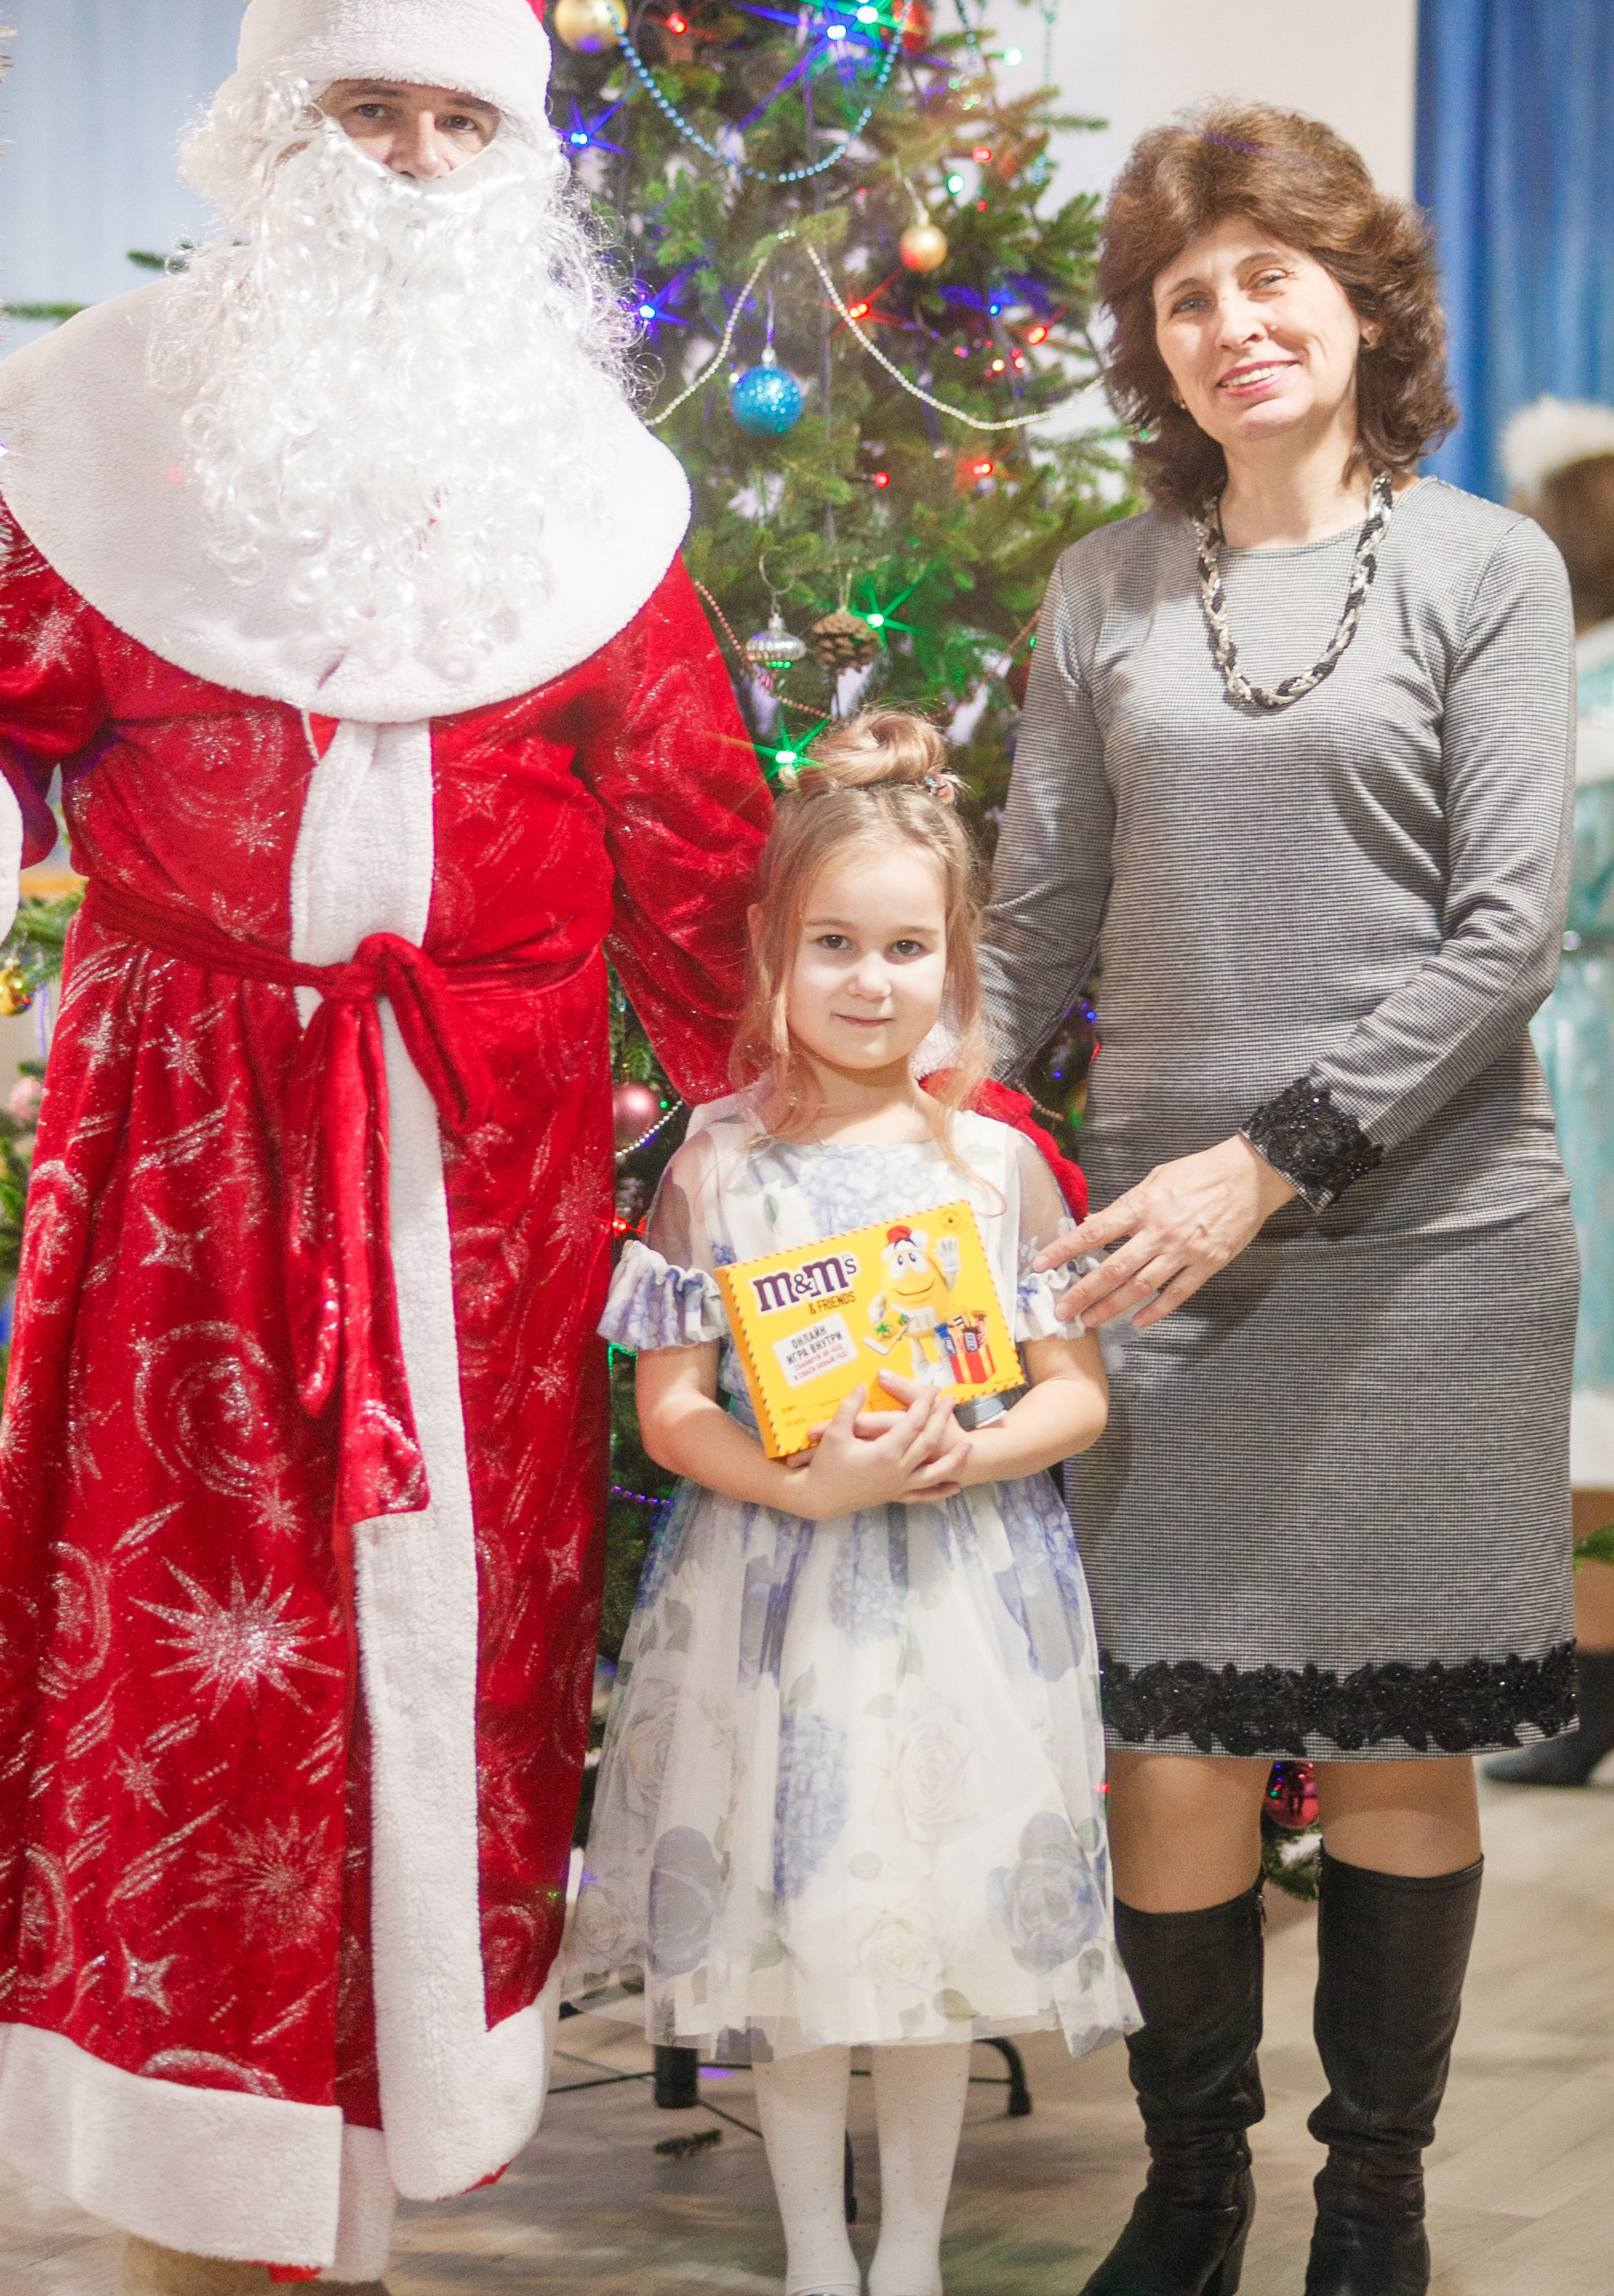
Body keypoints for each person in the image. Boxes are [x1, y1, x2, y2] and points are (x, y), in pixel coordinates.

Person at [0, 0, 769, 2293]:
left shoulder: (591, 486)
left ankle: (386, 2111)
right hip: (188, 1149)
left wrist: (752, 1119)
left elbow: (693, 833)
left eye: (462, 122)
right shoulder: (94, 429)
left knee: (450, 1650)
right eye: (368, 112)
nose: (413, 164)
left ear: (519, 167)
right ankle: (200, 2184)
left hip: (498, 1167)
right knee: (206, 1643)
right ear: (269, 132)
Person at [982, 103, 1577, 2296]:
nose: (1233, 322)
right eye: (1187, 293)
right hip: (1156, 1263)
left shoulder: (1485, 569)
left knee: (1402, 1742)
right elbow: (1040, 918)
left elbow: (1503, 927)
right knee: (1175, 1749)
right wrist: (907, 1115)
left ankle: (1378, 2206)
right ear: (1156, 346)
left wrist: (1271, 1162)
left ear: (1358, 302)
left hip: (1429, 1248)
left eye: (1268, 278)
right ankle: (1196, 2185)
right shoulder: (1104, 586)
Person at [565, 710, 1133, 2296]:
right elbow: (672, 1415)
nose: (867, 982)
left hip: (956, 1598)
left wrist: (975, 1448)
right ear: (769, 951)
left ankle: (912, 2255)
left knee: (933, 1930)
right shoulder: (713, 1167)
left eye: (902, 949)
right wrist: (796, 1489)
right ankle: (815, 2252)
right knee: (794, 1927)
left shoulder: (993, 1168)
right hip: (777, 1602)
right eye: (832, 945)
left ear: (951, 965)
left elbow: (1074, 1389)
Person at [1486, 397, 1614, 1787]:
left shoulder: (1570, 699)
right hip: (1568, 1024)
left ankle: (1588, 1679)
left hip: (1577, 1044)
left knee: (1587, 1377)